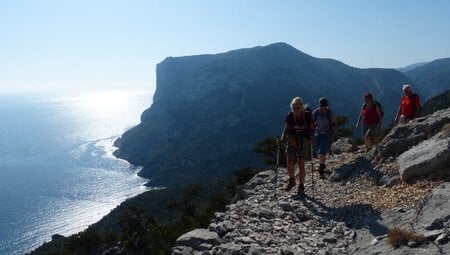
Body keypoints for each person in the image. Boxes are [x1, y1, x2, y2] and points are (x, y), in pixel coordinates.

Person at [279, 97, 314, 195]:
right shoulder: (290, 116)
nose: (296, 110)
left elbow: (312, 129)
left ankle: (301, 185)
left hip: (303, 139)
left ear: (302, 107)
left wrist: (312, 138)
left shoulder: (307, 116)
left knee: (301, 163)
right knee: (290, 161)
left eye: (298, 108)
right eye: (294, 108)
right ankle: (291, 179)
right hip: (292, 139)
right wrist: (282, 138)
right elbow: (286, 128)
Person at [312, 97, 335, 179]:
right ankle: (322, 164)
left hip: (326, 134)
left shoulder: (329, 113)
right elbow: (311, 123)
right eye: (321, 105)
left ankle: (321, 171)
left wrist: (332, 133)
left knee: (321, 151)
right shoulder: (315, 112)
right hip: (317, 134)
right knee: (318, 151)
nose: (322, 107)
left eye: (324, 106)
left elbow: (333, 124)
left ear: (326, 105)